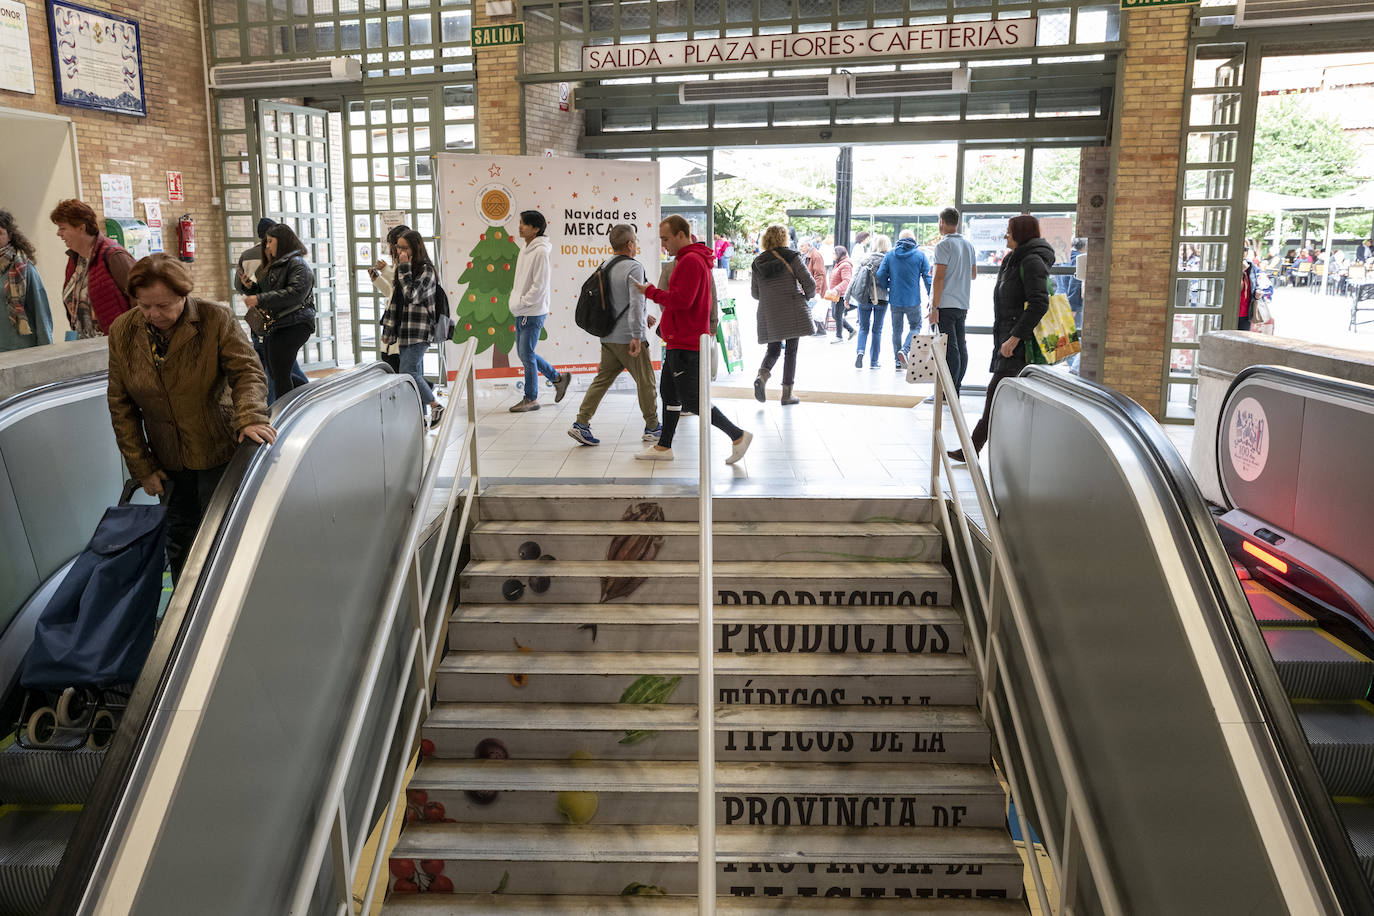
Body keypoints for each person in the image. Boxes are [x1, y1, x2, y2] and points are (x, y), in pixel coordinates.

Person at [106, 254, 274, 582]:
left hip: (218, 448)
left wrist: (251, 415)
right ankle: (186, 607)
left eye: (164, 305)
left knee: (223, 533)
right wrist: (141, 466)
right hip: (167, 457)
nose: (154, 314)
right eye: (144, 306)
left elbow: (248, 372)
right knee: (179, 537)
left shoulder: (216, 319)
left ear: (183, 295)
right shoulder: (122, 330)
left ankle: (230, 597)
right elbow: (120, 404)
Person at [633, 215, 752, 464]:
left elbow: (682, 300)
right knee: (669, 393)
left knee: (692, 401)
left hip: (686, 343)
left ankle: (738, 435)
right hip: (679, 340)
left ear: (681, 234)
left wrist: (651, 292)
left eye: (666, 239)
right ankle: (664, 446)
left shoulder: (690, 261)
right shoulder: (691, 260)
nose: (663, 244)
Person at [948, 216, 1054, 463]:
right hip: (1008, 339)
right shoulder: (1012, 259)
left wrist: (1014, 338)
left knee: (995, 394)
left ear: (1021, 233)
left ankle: (973, 448)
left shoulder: (1031, 261)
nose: (1005, 235)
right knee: (1003, 397)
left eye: (1009, 231)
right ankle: (980, 449)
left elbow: (1039, 303)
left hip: (1022, 345)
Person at [568, 224, 660, 446]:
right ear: (629, 244)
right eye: (635, 241)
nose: (636, 245)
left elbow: (616, 301)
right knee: (646, 381)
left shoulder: (605, 264)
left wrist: (644, 317)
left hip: (608, 336)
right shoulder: (634, 267)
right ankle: (653, 427)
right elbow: (636, 302)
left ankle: (581, 423)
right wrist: (637, 334)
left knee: (601, 380)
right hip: (629, 338)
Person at [236, 217, 306, 402]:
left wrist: (258, 298)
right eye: (266, 242)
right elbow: (263, 290)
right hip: (276, 323)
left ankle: (283, 408)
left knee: (279, 370)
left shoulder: (297, 263)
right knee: (277, 369)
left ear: (282, 242)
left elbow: (295, 293)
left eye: (269, 242)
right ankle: (302, 397)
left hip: (294, 322)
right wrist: (250, 287)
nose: (266, 246)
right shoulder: (271, 265)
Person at [508, 209, 571, 412]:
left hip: (532, 311)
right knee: (525, 353)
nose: (520, 226)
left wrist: (523, 302)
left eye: (524, 224)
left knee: (526, 354)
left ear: (535, 229)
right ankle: (558, 379)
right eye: (520, 222)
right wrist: (517, 303)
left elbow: (539, 286)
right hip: (522, 309)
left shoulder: (541, 252)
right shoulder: (525, 248)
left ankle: (531, 398)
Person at [381, 229, 444, 429]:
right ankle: (420, 419)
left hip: (420, 330)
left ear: (415, 248)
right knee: (411, 371)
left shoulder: (426, 270)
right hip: (404, 330)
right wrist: (388, 331)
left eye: (404, 248)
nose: (400, 251)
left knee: (407, 371)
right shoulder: (402, 269)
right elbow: (395, 302)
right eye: (398, 247)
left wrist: (404, 267)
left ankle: (436, 405)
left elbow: (412, 295)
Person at [750, 224, 815, 406]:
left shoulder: (757, 262)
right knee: (791, 351)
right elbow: (809, 284)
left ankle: (762, 376)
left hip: (769, 312)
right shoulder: (792, 257)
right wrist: (806, 297)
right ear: (784, 238)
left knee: (773, 349)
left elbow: (755, 293)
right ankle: (787, 394)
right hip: (791, 309)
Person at [51, 198, 134, 338]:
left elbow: (140, 299)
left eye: (63, 228)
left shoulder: (113, 255)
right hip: (87, 344)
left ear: (81, 228)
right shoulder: (74, 260)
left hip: (118, 343)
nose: (58, 233)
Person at [927, 208, 977, 396]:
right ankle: (955, 389)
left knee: (949, 349)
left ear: (941, 222)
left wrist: (934, 306)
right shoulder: (968, 245)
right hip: (962, 302)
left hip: (945, 304)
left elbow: (938, 278)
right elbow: (973, 274)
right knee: (960, 347)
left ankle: (947, 392)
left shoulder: (943, 245)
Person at [877, 228, 933, 371]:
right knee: (916, 326)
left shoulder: (890, 255)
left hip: (895, 299)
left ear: (899, 239)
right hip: (913, 300)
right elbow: (928, 278)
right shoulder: (920, 255)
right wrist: (931, 297)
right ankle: (905, 350)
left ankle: (898, 361)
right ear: (914, 239)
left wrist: (888, 285)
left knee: (897, 330)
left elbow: (880, 274)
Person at [0, 210, 54, 351]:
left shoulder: (23, 268)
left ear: (9, 236)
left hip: (21, 349)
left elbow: (40, 311)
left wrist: (46, 351)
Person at [368, 224, 410, 371]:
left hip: (404, 320)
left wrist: (385, 270)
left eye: (395, 244)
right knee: (388, 359)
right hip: (392, 317)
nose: (393, 249)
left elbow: (405, 285)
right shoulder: (398, 262)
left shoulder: (411, 262)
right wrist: (377, 279)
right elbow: (391, 292)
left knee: (401, 365)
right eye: (393, 245)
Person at [849, 234, 890, 369]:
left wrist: (847, 297)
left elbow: (854, 278)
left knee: (863, 328)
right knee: (877, 330)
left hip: (864, 297)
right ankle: (874, 361)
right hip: (881, 298)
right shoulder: (888, 260)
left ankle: (860, 352)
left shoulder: (865, 259)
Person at [825, 245, 855, 343]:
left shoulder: (845, 265)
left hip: (841, 294)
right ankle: (851, 330)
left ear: (839, 254)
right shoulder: (839, 263)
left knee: (837, 315)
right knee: (835, 315)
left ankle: (839, 336)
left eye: (834, 253)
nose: (833, 255)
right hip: (836, 294)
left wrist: (836, 289)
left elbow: (847, 280)